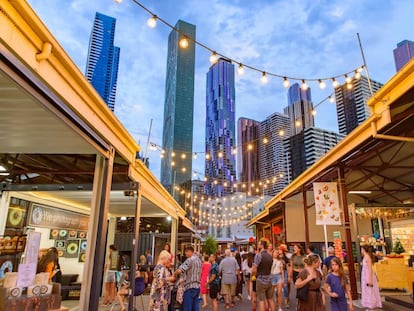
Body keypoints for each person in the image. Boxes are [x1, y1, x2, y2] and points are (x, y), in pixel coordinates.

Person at [173, 246, 202, 311]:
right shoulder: (199, 260)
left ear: (189, 251)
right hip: (197, 286)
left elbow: (180, 270)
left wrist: (174, 274)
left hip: (189, 286)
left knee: (187, 307)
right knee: (195, 307)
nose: (185, 254)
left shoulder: (190, 260)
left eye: (186, 252)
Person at [252, 238, 275, 311]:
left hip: (261, 279)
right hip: (269, 278)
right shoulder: (270, 255)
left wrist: (253, 276)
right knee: (270, 299)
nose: (258, 245)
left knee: (261, 300)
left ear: (262, 245)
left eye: (259, 244)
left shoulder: (258, 255)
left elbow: (254, 269)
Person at [360, 245, 382, 310]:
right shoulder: (365, 257)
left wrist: (370, 279)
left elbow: (370, 269)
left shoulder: (368, 258)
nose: (361, 251)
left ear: (364, 250)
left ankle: (372, 305)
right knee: (367, 291)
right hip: (365, 276)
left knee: (370, 291)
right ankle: (368, 306)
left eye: (362, 249)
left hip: (368, 276)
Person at [278, 244, 291, 308]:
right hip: (277, 273)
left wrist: (289, 276)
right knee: (276, 288)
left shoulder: (286, 258)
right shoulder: (276, 257)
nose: (279, 251)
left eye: (280, 250)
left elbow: (288, 267)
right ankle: (277, 299)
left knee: (285, 286)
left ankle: (286, 301)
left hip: (285, 272)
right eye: (279, 250)